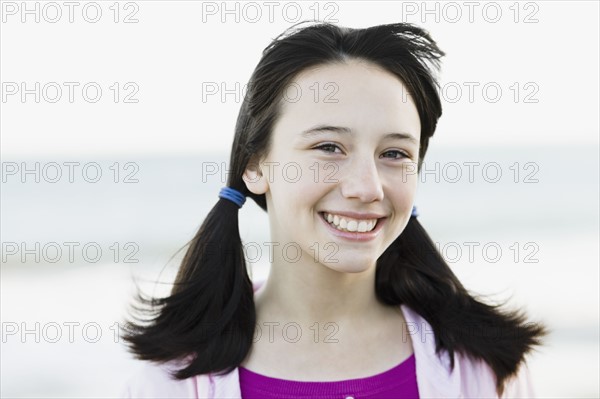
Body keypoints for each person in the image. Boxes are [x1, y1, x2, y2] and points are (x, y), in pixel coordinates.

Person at [120, 21, 547, 398]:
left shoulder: (488, 369)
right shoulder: (166, 381)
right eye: (328, 147)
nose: (367, 187)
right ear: (254, 166)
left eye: (395, 153)